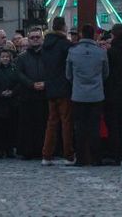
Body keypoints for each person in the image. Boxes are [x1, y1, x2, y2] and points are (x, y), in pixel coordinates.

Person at [65, 24, 108, 167]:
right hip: (96, 94)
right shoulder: (101, 52)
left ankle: (81, 158)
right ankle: (96, 158)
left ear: (82, 34)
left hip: (78, 94)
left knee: (79, 127)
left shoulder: (73, 52)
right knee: (95, 127)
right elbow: (105, 73)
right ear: (94, 35)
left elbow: (68, 74)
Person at [40, 16, 74, 166]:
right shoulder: (65, 45)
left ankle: (46, 155)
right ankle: (68, 155)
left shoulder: (46, 45)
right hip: (64, 87)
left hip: (50, 87)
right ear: (63, 27)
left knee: (51, 122)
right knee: (66, 122)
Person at [14, 29, 47, 160]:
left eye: (37, 37)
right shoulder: (22, 57)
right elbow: (19, 74)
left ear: (42, 39)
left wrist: (45, 83)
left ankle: (43, 149)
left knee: (43, 124)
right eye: (32, 37)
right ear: (28, 39)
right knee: (27, 125)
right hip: (27, 96)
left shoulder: (48, 56)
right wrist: (31, 84)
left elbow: (53, 71)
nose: (35, 39)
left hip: (44, 95)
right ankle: (27, 151)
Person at [102, 24, 122, 165]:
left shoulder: (111, 52)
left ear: (113, 35)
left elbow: (107, 72)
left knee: (112, 123)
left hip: (112, 91)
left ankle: (113, 152)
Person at [0, 48, 19, 158]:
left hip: (12, 101)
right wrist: (0, 93)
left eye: (7, 57)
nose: (5, 59)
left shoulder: (14, 69)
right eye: (3, 57)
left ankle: (9, 149)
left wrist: (12, 92)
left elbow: (18, 82)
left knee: (11, 127)